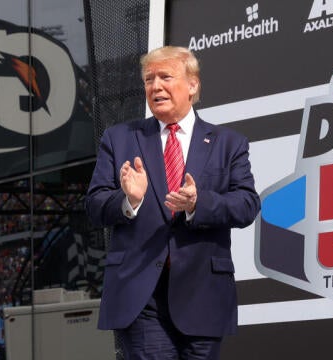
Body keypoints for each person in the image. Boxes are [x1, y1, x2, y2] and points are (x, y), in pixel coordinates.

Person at [85, 46, 260, 359]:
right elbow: (95, 206)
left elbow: (247, 204)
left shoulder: (228, 143)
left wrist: (198, 203)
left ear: (192, 85)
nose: (155, 87)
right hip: (141, 297)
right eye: (149, 79)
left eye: (165, 77)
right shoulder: (119, 138)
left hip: (203, 294)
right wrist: (129, 200)